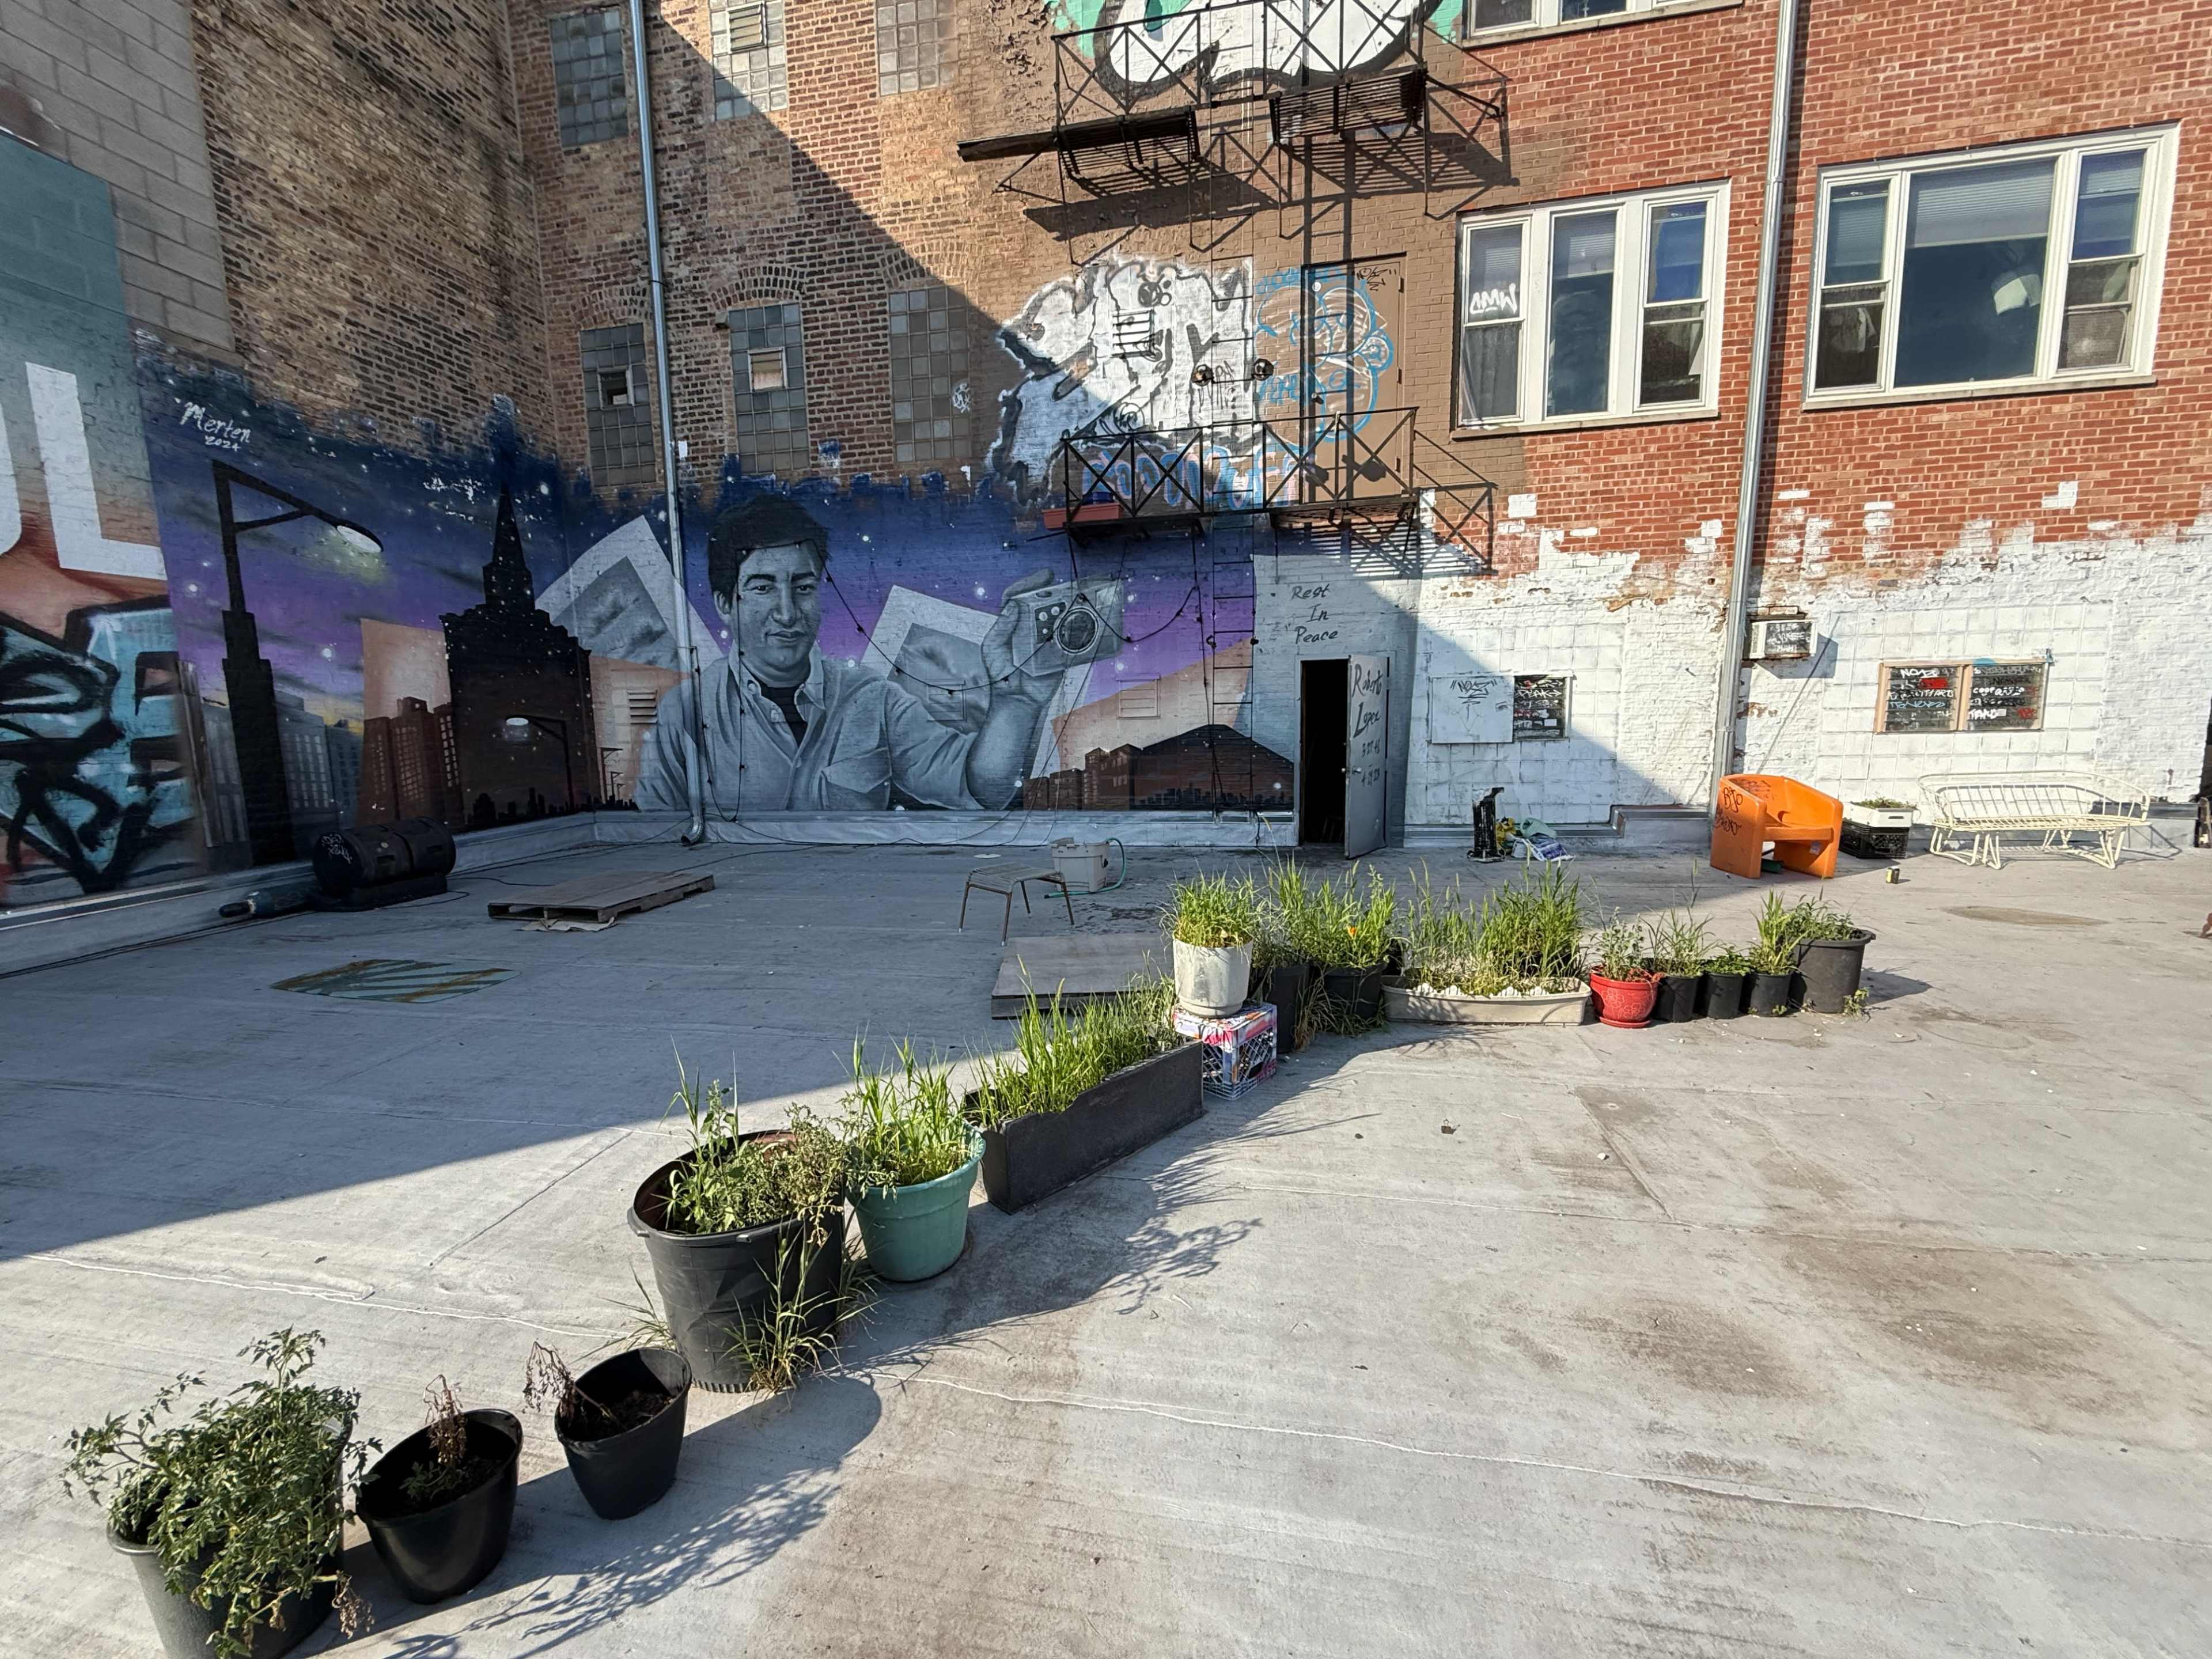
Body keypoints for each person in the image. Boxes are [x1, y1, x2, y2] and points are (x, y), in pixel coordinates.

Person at [634, 497, 1064, 813]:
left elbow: (980, 788)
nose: (787, 613)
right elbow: (653, 844)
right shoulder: (687, 714)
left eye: (803, 587)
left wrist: (1016, 704)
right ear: (726, 604)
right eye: (763, 588)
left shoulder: (874, 700)